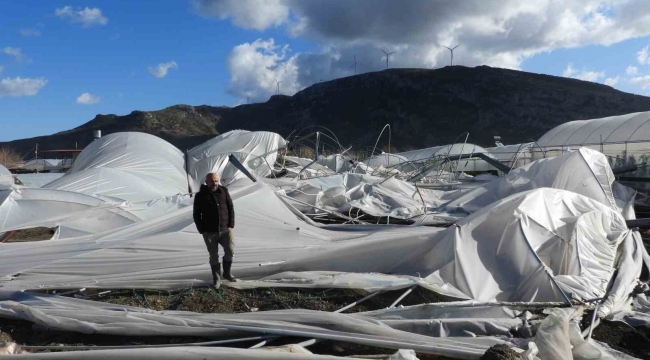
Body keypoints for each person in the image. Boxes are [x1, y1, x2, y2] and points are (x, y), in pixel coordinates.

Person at [193, 173, 237, 285]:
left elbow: (230, 207)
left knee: (230, 250)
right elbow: (196, 214)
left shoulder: (224, 191)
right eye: (212, 181)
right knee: (213, 255)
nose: (214, 183)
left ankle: (227, 273)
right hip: (210, 232)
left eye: (216, 181)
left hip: (225, 230)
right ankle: (216, 278)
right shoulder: (200, 196)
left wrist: (231, 223)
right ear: (206, 182)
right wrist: (202, 229)